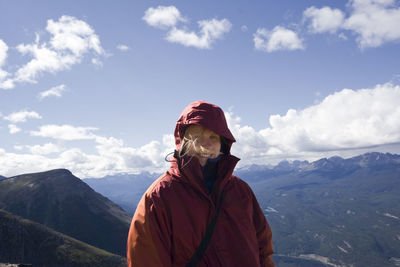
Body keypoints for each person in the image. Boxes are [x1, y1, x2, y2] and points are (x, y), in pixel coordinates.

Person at [127, 100, 275, 266]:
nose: (207, 143)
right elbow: (146, 259)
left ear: (222, 143)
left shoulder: (240, 190)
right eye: (197, 137)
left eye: (213, 136)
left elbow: (263, 247)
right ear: (182, 142)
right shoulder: (160, 196)